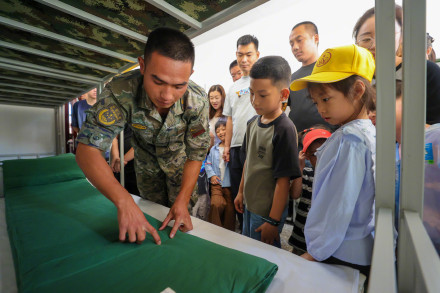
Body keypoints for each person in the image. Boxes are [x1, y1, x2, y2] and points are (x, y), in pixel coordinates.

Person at [75, 27, 210, 245]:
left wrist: (183, 200)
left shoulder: (197, 100)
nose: (167, 96)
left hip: (181, 171)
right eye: (158, 82)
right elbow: (87, 149)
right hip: (146, 170)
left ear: (190, 76)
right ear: (143, 65)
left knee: (183, 233)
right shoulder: (122, 91)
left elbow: (196, 153)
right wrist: (124, 201)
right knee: (152, 224)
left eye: (178, 86)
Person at [290, 44, 376, 278]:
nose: (321, 110)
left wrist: (315, 251)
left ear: (358, 90)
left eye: (326, 99)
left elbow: (336, 206)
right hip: (356, 248)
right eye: (316, 102)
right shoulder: (366, 132)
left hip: (340, 252)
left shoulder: (349, 140)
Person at [234, 56, 301, 247]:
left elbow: (283, 181)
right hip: (249, 204)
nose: (254, 101)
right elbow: (249, 162)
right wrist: (240, 192)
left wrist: (273, 220)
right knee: (249, 248)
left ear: (283, 94)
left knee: (264, 254)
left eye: (262, 95)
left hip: (267, 212)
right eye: (251, 93)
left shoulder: (284, 129)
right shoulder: (252, 123)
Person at [353, 5, 440, 125]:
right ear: (357, 42)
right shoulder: (353, 79)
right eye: (366, 39)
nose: (374, 45)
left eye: (384, 36)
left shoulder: (425, 71)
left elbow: (434, 127)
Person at [394, 81, 440, 253]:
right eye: (369, 108)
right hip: (411, 246)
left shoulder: (434, 138)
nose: (373, 113)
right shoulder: (394, 149)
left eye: (379, 104)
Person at [223, 35, 259, 229]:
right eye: (240, 54)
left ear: (257, 55)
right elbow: (229, 118)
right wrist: (227, 146)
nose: (244, 59)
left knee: (254, 193)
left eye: (248, 54)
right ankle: (243, 232)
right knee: (238, 193)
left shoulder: (263, 80)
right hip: (236, 147)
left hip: (256, 145)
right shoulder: (233, 88)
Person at [288, 127, 332, 256]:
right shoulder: (306, 173)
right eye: (314, 154)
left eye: (325, 151)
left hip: (320, 241)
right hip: (301, 237)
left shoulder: (335, 176)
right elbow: (294, 194)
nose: (320, 156)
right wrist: (300, 168)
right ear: (306, 155)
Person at [288, 21, 335, 133]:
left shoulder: (331, 70)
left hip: (329, 139)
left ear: (315, 38)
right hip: (300, 143)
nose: (295, 47)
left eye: (299, 40)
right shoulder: (291, 79)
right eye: (291, 44)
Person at [205, 120, 235, 230]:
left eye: (223, 129)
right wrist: (212, 175)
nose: (221, 132)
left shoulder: (234, 149)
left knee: (230, 210)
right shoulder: (214, 149)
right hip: (216, 184)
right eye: (218, 131)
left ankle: (228, 233)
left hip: (230, 185)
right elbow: (208, 163)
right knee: (215, 204)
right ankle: (214, 230)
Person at [110, 124, 139, 196]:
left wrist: (123, 159)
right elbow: (114, 137)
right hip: (120, 165)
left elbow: (142, 144)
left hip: (136, 165)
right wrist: (116, 157)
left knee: (136, 194)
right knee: (119, 191)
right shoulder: (124, 118)